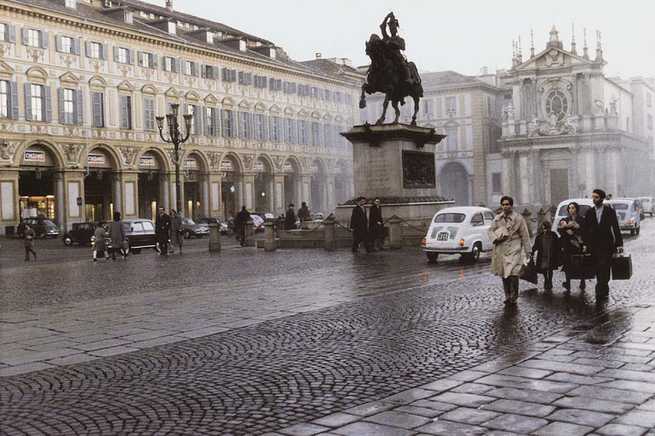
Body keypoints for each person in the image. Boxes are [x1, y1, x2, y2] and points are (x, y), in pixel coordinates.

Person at [489, 196, 531, 305]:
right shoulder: (498, 218)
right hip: (502, 248)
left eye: (507, 204)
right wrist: (496, 238)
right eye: (503, 204)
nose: (505, 206)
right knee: (504, 273)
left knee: (513, 273)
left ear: (511, 205)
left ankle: (514, 295)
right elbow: (490, 231)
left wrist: (528, 251)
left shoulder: (519, 218)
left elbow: (525, 235)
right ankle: (507, 295)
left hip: (515, 248)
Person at [582, 188, 623, 299]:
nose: (594, 199)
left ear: (602, 198)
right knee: (597, 266)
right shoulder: (589, 212)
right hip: (594, 245)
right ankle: (602, 286)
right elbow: (585, 229)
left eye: (596, 197)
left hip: (607, 244)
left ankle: (601, 286)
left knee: (604, 266)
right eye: (593, 197)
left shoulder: (609, 212)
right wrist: (585, 244)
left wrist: (619, 244)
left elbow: (615, 228)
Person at [558, 202, 586, 292]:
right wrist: (566, 231)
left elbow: (586, 231)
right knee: (567, 263)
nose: (571, 210)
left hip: (578, 245)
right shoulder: (565, 219)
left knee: (581, 263)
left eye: (573, 208)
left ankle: (582, 280)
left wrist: (577, 229)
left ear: (576, 209)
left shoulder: (582, 220)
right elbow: (560, 229)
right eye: (569, 208)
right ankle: (568, 282)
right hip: (568, 246)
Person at [380, 12, 413, 86]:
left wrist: (395, 44)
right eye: (391, 28)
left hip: (397, 57)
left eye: (394, 28)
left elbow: (403, 47)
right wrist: (387, 17)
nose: (392, 29)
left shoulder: (400, 39)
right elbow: (382, 27)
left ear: (396, 29)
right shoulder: (387, 38)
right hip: (387, 57)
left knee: (403, 65)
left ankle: (408, 78)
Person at [531, 221, 560, 291]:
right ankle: (546, 280)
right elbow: (535, 246)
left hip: (551, 256)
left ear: (549, 228)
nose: (546, 230)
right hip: (543, 256)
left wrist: (559, 254)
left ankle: (549, 281)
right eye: (544, 229)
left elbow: (558, 245)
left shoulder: (554, 235)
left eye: (547, 228)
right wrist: (532, 252)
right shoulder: (539, 236)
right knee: (543, 269)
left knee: (550, 269)